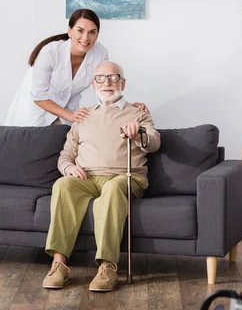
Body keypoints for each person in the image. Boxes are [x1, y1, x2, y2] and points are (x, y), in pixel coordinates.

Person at [42, 61, 161, 292]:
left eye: (113, 77)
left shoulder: (138, 113)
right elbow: (65, 155)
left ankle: (107, 266)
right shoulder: (83, 116)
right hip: (88, 179)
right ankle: (59, 265)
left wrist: (139, 133)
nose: (107, 83)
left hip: (126, 178)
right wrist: (68, 168)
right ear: (93, 83)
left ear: (123, 83)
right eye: (101, 78)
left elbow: (155, 142)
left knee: (113, 188)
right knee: (63, 185)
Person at [4, 9, 148, 126]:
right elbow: (39, 97)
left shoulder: (100, 53)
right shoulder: (50, 52)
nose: (86, 38)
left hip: (67, 111)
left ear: (97, 35)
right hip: (34, 110)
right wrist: (70, 116)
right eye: (80, 30)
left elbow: (105, 86)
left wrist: (128, 107)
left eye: (92, 32)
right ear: (70, 31)